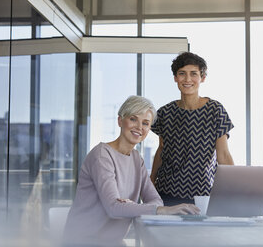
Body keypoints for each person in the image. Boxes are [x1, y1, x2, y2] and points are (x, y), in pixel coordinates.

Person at [63, 95, 199, 246]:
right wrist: (164, 210)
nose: (139, 127)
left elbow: (155, 200)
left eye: (145, 123)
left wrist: (130, 205)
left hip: (111, 242)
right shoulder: (102, 155)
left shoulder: (137, 160)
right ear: (120, 120)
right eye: (133, 119)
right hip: (83, 242)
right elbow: (114, 208)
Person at [150, 52, 234, 206]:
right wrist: (151, 181)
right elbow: (161, 149)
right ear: (175, 78)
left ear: (202, 78)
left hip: (203, 194)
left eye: (193, 74)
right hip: (166, 192)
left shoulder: (215, 110)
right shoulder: (164, 112)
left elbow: (223, 154)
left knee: (203, 231)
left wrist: (235, 189)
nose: (187, 79)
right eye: (182, 74)